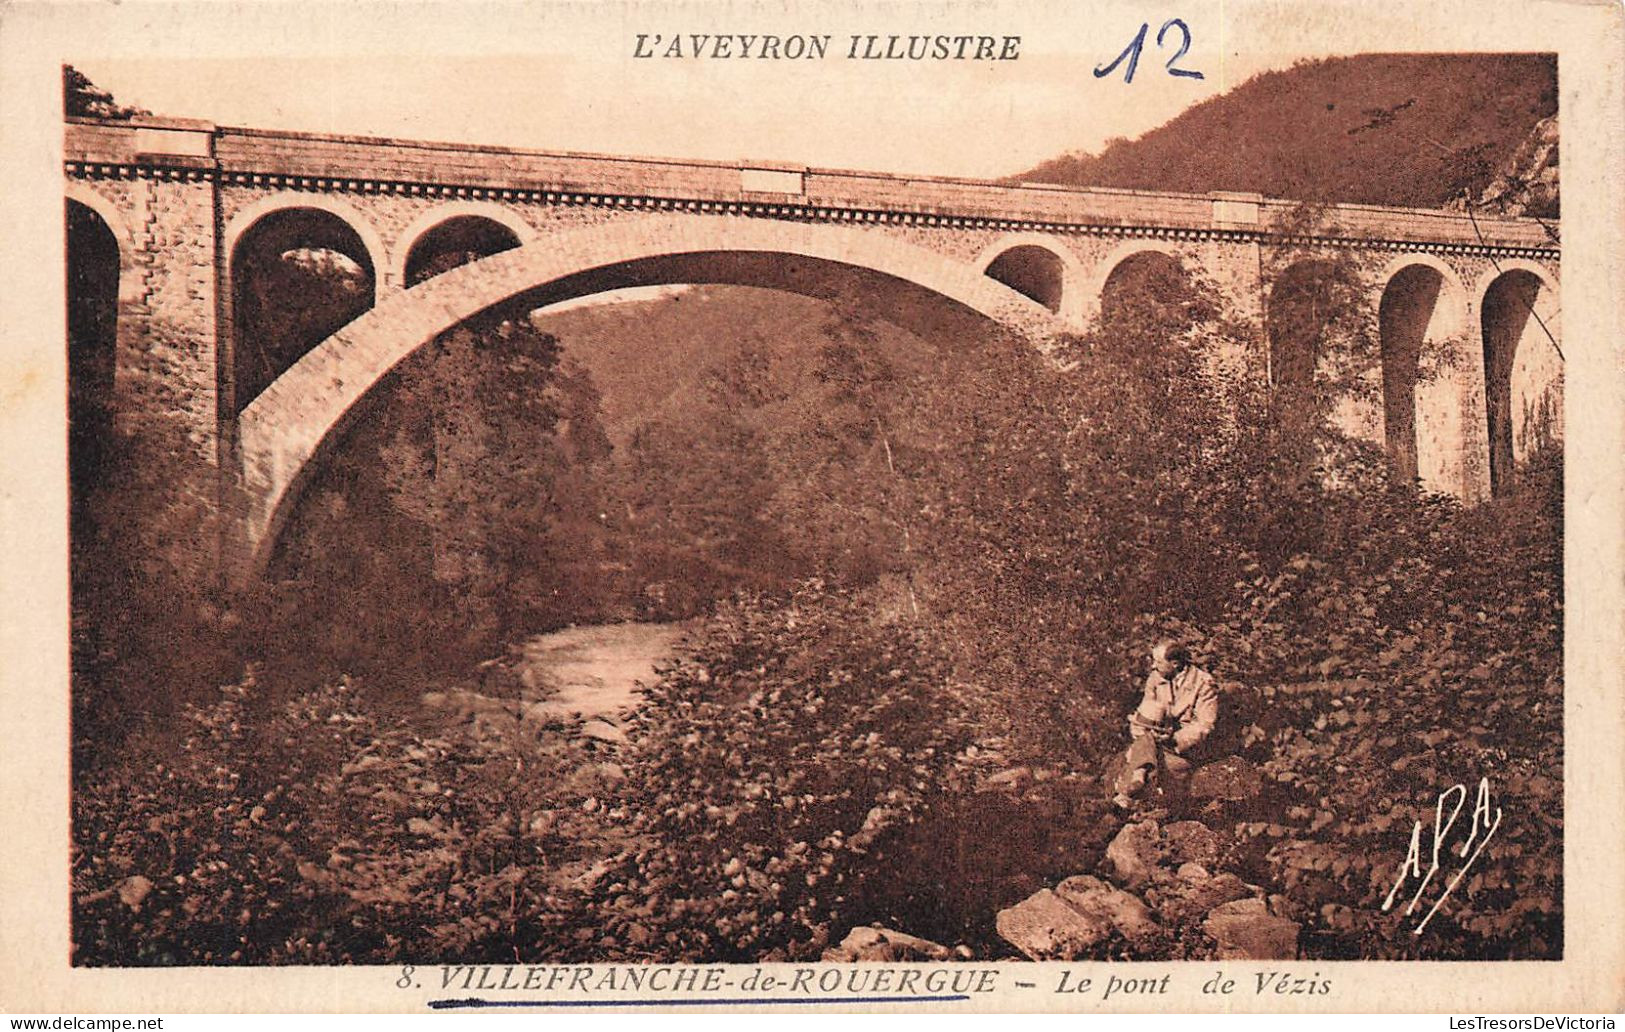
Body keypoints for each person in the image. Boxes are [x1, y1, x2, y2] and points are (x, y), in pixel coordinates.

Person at [1111, 638, 1219, 810]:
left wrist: (1174, 738)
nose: (1153, 666)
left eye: (1158, 662)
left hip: (1183, 748)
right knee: (1144, 746)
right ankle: (1135, 793)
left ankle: (1128, 796)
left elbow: (1205, 725)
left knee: (1152, 761)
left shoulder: (1203, 684)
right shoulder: (1156, 677)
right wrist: (1148, 731)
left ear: (1175, 664)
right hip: (1154, 740)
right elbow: (1146, 713)